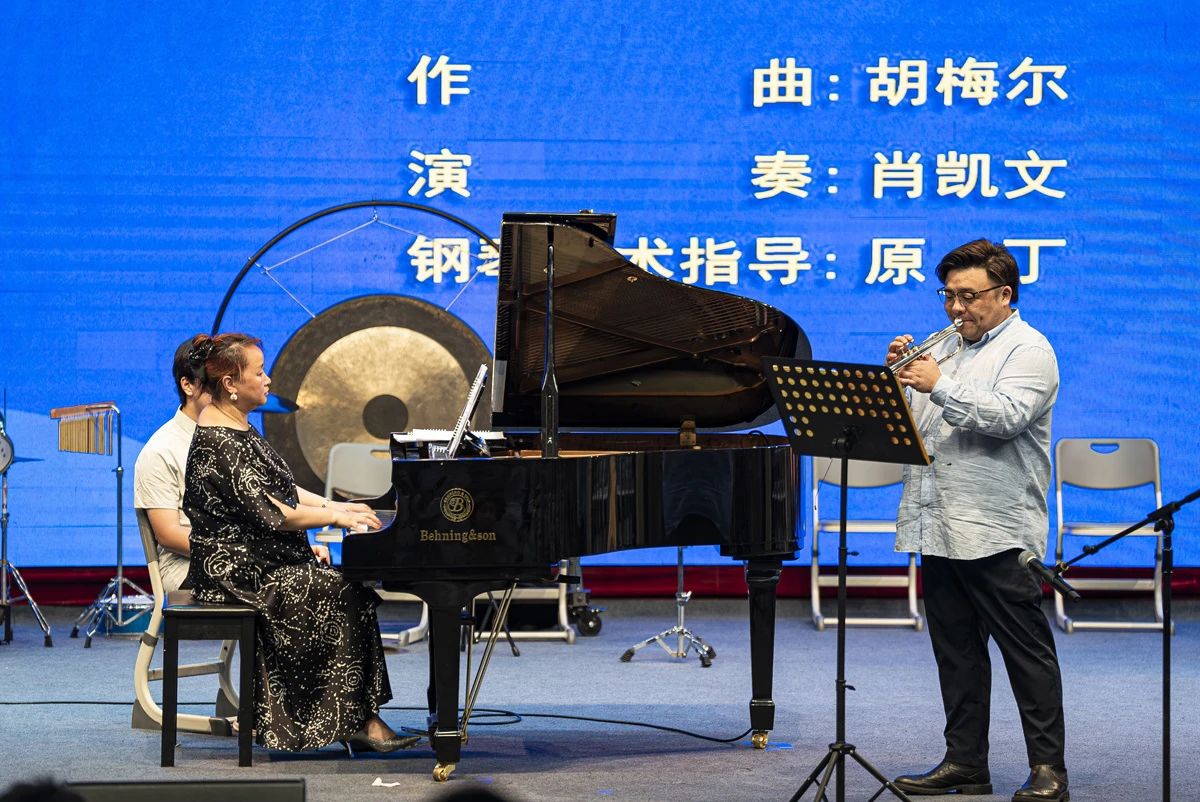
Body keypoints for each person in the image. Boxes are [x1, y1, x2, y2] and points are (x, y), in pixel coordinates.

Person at [886, 240, 1067, 802]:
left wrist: (937, 383)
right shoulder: (944, 346)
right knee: (957, 653)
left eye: (968, 296)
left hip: (995, 527)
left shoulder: (1029, 349)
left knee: (1026, 654)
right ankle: (965, 763)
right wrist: (897, 383)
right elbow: (919, 430)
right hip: (938, 521)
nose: (956, 308)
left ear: (1004, 294)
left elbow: (1007, 417)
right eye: (948, 296)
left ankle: (1049, 770)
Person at [182, 332, 417, 754]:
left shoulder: (237, 426)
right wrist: (337, 516)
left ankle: (357, 718)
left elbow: (284, 490)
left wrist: (335, 504)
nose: (268, 379)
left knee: (347, 585)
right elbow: (277, 513)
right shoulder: (217, 440)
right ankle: (342, 721)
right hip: (235, 571)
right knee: (341, 588)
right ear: (230, 383)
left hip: (258, 560)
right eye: (259, 372)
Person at [133, 335, 211, 593]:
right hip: (185, 568)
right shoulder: (160, 450)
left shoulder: (230, 437)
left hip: (231, 557)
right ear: (187, 385)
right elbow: (168, 534)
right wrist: (239, 552)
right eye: (213, 383)